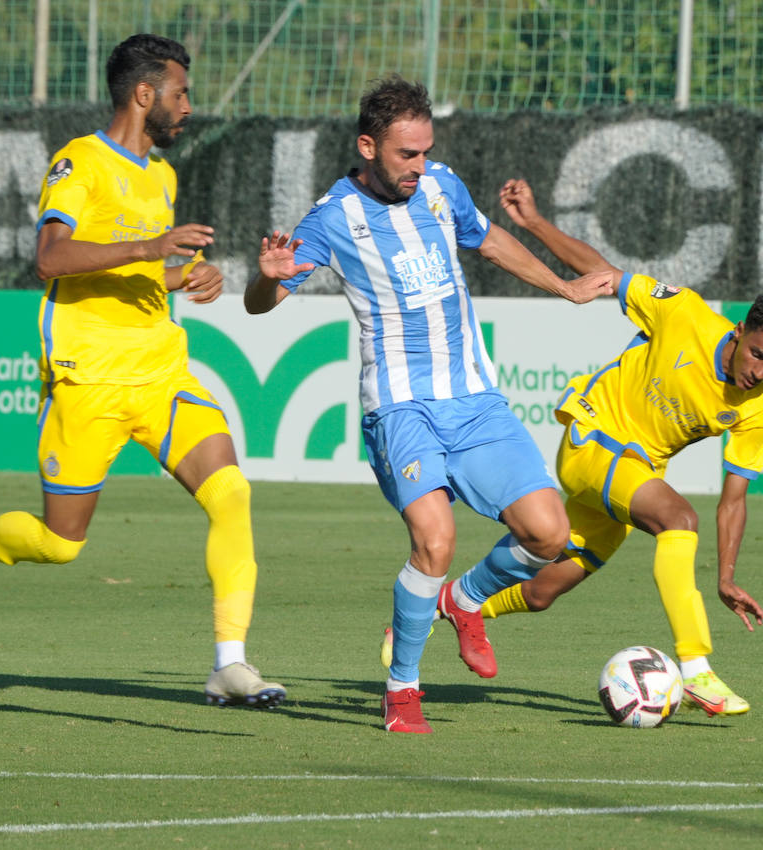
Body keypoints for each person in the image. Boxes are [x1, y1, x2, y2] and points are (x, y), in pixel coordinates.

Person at [0, 33, 285, 710]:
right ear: (145, 94)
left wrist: (184, 275)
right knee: (58, 545)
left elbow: (134, 271)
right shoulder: (80, 161)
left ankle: (231, 662)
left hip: (162, 372)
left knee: (231, 494)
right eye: (180, 92)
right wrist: (151, 244)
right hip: (88, 380)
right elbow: (51, 258)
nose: (188, 105)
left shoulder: (161, 175)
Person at [244, 77, 617, 733]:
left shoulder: (443, 185)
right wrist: (264, 280)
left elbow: (490, 240)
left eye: (425, 151)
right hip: (400, 409)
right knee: (435, 539)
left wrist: (563, 286)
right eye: (405, 155)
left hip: (474, 401)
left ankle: (465, 601)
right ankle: (403, 690)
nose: (419, 166)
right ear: (368, 146)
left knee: (549, 533)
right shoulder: (332, 217)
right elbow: (263, 301)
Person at [463, 178, 763, 715]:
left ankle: (441, 610)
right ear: (741, 329)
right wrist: (532, 223)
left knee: (541, 592)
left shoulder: (761, 407)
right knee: (678, 519)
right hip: (591, 440)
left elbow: (735, 499)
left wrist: (725, 577)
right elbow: (603, 273)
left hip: (630, 473)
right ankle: (696, 667)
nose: (760, 371)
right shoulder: (684, 314)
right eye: (757, 354)